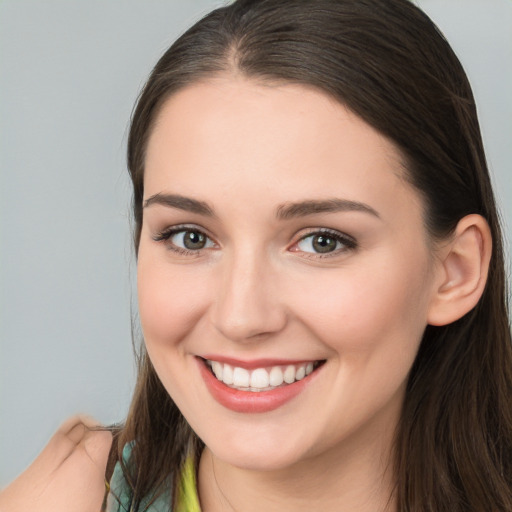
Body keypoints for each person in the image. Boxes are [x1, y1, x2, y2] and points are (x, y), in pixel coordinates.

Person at [1, 0, 510, 510]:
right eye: (190, 237)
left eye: (322, 241)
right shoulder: (67, 499)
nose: (241, 317)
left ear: (454, 272)